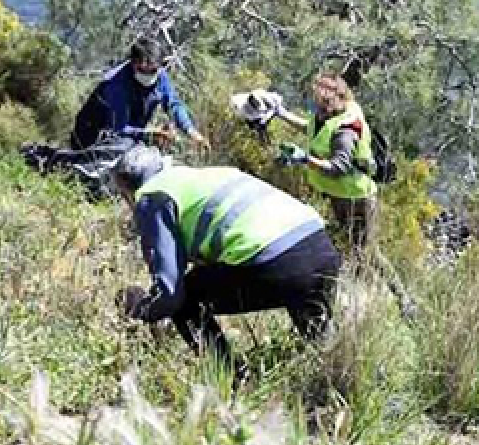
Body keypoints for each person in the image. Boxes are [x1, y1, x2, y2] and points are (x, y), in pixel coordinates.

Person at [110, 145, 342, 374]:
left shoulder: (152, 198)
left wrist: (142, 309)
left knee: (187, 301)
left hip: (278, 262)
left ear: (127, 191)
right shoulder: (205, 175)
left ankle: (231, 379)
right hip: (321, 247)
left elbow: (170, 294)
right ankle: (333, 384)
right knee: (319, 341)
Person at [21, 37, 209, 195]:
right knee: (94, 180)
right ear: (133, 64)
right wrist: (150, 134)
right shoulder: (116, 85)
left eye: (153, 69)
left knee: (137, 162)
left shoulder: (159, 76)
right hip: (94, 135)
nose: (148, 73)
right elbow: (118, 129)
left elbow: (173, 104)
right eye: (142, 69)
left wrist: (192, 132)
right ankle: (43, 159)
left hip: (129, 135)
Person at [272, 73, 378, 254]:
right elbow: (311, 128)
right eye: (317, 101)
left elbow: (338, 168)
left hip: (355, 198)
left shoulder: (345, 130)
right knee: (344, 243)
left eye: (324, 102)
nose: (318, 108)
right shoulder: (326, 115)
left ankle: (379, 282)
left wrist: (304, 159)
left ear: (339, 99)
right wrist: (282, 114)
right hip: (338, 194)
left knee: (362, 252)